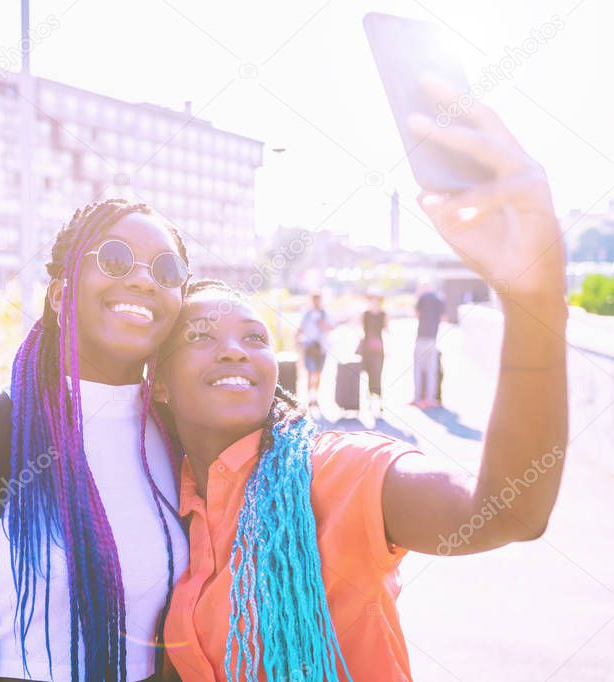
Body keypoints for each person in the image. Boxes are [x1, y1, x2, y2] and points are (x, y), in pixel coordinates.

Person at [153, 87, 568, 681]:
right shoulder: (169, 507)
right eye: (200, 337)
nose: (234, 350)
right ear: (159, 384)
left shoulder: (331, 471)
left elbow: (506, 510)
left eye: (254, 337)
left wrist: (533, 299)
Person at [0, 199, 191, 682]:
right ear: (61, 294)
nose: (144, 280)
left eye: (168, 270)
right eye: (115, 258)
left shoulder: (180, 437)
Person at [413, 279, 445, 408]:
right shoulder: (439, 299)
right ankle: (430, 399)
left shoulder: (422, 298)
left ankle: (417, 398)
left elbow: (415, 314)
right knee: (432, 370)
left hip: (421, 337)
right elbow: (444, 318)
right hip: (433, 338)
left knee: (418, 369)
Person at [296, 292, 333, 406]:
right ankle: (308, 397)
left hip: (321, 347)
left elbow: (331, 327)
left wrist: (322, 323)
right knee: (310, 372)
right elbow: (300, 328)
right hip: (309, 346)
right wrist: (297, 341)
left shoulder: (325, 314)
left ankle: (315, 396)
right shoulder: (307, 314)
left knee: (318, 373)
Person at [357, 290, 387, 413]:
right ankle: (369, 401)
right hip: (367, 348)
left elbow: (387, 330)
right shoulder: (365, 314)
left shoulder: (383, 314)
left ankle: (378, 400)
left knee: (378, 374)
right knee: (368, 374)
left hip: (379, 349)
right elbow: (358, 328)